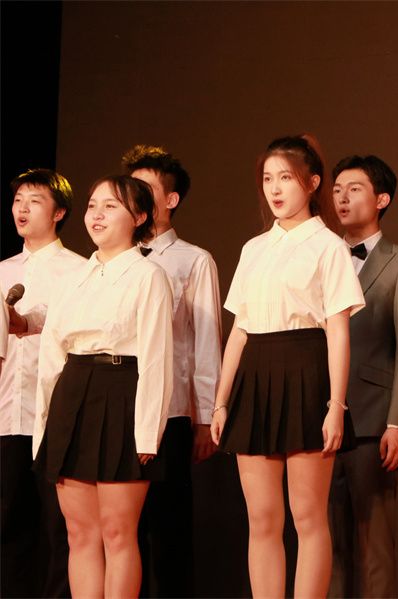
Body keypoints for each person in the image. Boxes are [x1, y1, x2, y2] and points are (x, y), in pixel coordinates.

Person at [210, 135, 365, 599]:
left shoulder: (328, 246)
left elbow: (338, 331)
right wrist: (221, 401)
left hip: (306, 373)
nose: (275, 189)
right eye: (267, 179)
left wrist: (336, 405)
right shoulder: (254, 248)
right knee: (261, 518)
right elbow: (239, 330)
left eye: (286, 178)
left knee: (308, 516)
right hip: (255, 377)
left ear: (312, 183)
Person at [32, 174, 174, 599]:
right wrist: (44, 428)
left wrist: (147, 432)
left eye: (110, 206)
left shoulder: (148, 275)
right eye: (93, 205)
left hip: (121, 393)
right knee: (80, 533)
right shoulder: (73, 277)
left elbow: (156, 359)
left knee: (117, 531)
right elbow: (51, 357)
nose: (97, 214)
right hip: (72, 394)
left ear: (140, 216)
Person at [122, 145, 222, 597]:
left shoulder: (193, 260)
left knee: (168, 530)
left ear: (171, 199)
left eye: (145, 189)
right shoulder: (113, 261)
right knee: (124, 530)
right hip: (120, 407)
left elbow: (206, 342)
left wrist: (204, 417)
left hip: (171, 413)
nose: (135, 198)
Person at [328, 154, 398, 597]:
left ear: (381, 199)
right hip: (319, 417)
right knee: (324, 540)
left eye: (354, 189)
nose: (342, 198)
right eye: (336, 190)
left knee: (374, 543)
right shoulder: (321, 257)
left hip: (372, 419)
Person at [1, 169, 84, 598]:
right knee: (8, 525)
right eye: (18, 200)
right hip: (6, 416)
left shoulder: (79, 270)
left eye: (34, 201)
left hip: (54, 418)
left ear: (59, 212)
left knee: (58, 529)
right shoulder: (2, 270)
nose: (22, 208)